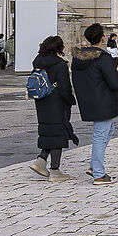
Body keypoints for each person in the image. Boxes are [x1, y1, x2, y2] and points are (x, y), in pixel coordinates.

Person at [70, 24, 118, 184]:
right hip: (102, 100)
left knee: (109, 130)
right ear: (102, 38)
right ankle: (99, 174)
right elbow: (113, 82)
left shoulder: (78, 58)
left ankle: (94, 166)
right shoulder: (103, 57)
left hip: (89, 99)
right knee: (100, 135)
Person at [28, 34, 78, 178]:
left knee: (48, 131)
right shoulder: (59, 64)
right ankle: (55, 171)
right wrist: (71, 100)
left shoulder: (37, 62)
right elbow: (65, 88)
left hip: (42, 101)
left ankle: (41, 161)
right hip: (57, 102)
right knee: (58, 133)